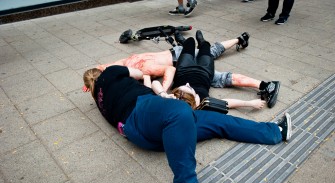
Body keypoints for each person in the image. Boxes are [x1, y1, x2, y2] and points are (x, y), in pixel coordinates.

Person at [83, 64, 291, 183]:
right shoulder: (110, 72)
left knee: (213, 122)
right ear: (100, 71)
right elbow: (139, 73)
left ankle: (276, 131)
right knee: (180, 111)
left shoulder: (98, 100)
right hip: (143, 111)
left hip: (143, 133)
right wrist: (146, 80)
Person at [88, 32, 280, 108]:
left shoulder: (142, 67)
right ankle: (239, 40)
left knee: (211, 55)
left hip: (179, 59)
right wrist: (94, 76)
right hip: (192, 66)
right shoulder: (125, 63)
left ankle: (239, 40)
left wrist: (164, 90)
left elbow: (168, 71)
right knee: (214, 63)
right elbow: (106, 67)